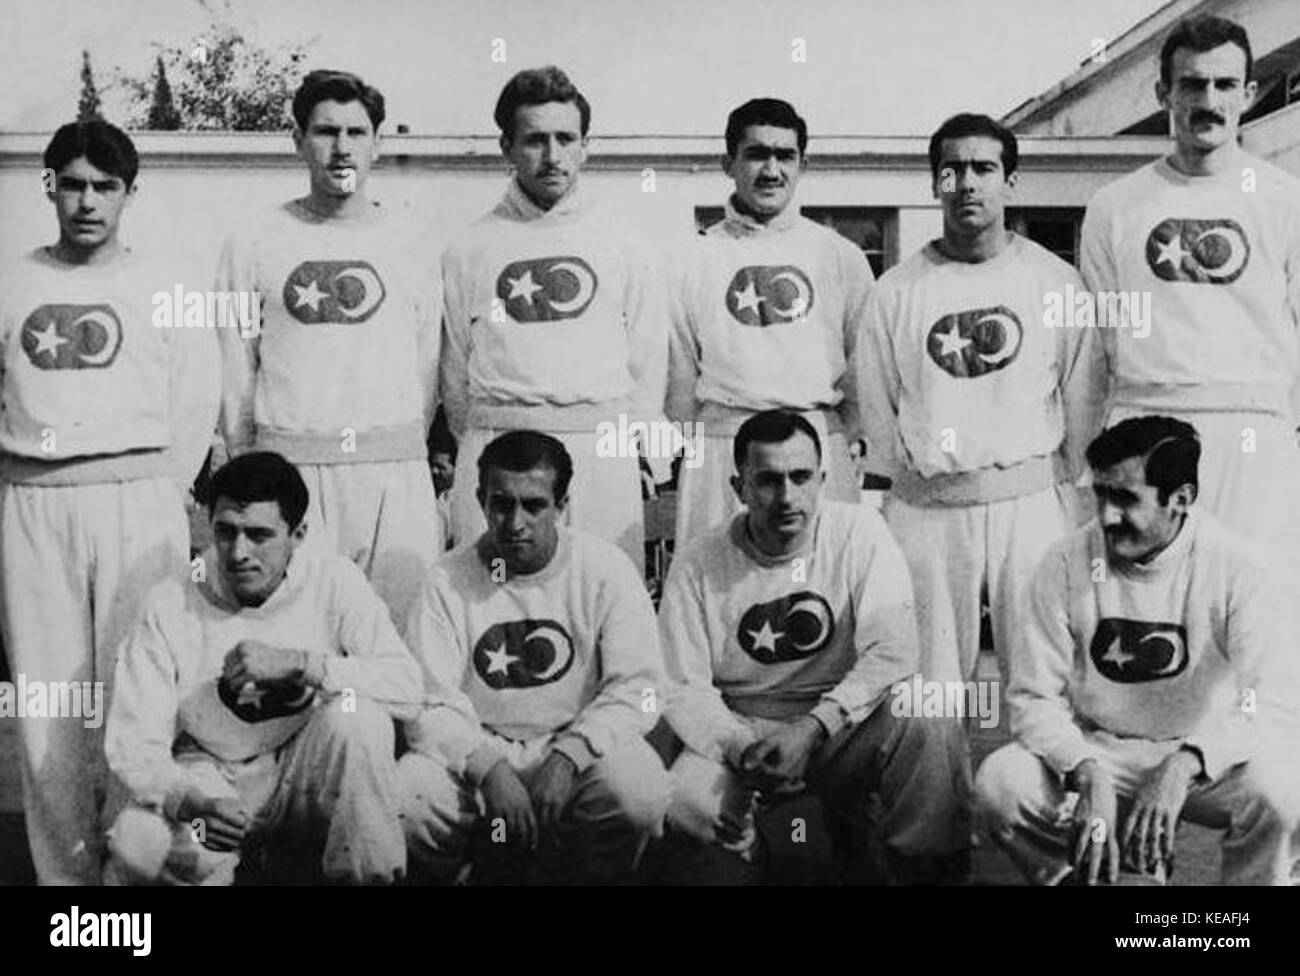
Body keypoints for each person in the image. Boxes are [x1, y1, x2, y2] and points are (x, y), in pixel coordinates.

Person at [0, 120, 218, 884]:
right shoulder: (11, 280)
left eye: (106, 186)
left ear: (131, 193)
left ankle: (134, 870)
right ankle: (63, 883)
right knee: (49, 700)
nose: (88, 201)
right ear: (49, 185)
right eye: (74, 184)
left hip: (137, 497)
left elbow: (198, 398)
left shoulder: (168, 285)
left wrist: (161, 483)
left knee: (138, 688)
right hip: (35, 500)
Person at [976, 416, 1300, 885]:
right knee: (1001, 783)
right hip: (1101, 749)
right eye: (1101, 494)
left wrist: (1184, 765)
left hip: (1201, 759)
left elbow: (1272, 703)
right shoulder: (1064, 562)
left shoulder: (1238, 567)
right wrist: (1084, 769)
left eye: (1125, 498)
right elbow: (1032, 699)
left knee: (1284, 791)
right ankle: (1088, 878)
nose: (1106, 516)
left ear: (1181, 500)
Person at [658, 410, 969, 883]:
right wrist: (741, 746)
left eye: (800, 477)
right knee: (686, 805)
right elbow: (681, 684)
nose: (787, 497)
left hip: (839, 727)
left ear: (822, 479)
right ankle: (757, 852)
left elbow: (892, 650)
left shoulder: (860, 532)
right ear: (738, 487)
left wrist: (814, 726)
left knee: (930, 710)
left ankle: (918, 863)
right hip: (747, 732)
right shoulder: (699, 559)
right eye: (767, 480)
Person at [857, 113, 1105, 690]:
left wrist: (1061, 494)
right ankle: (935, 785)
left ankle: (1033, 783)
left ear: (1010, 182)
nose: (967, 183)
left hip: (1031, 504)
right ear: (934, 184)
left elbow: (1084, 403)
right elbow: (878, 410)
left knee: (1042, 673)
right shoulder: (895, 291)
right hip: (928, 508)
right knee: (929, 685)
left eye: (984, 168)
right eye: (952, 170)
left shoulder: (1056, 282)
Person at [103, 452, 422, 885]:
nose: (238, 553)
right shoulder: (171, 601)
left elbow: (406, 687)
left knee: (359, 719)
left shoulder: (334, 579)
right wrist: (189, 801)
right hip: (214, 781)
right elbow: (133, 743)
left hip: (304, 773)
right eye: (226, 532)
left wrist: (304, 665)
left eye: (259, 535)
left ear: (299, 534)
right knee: (138, 841)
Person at [216, 69, 442, 622]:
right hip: (292, 467)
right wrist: (255, 468)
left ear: (378, 145)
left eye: (357, 133)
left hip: (392, 470)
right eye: (324, 131)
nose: (341, 148)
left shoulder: (412, 240)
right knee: (298, 635)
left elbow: (428, 363)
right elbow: (234, 365)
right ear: (297, 139)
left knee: (400, 634)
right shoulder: (253, 240)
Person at [1079, 14, 1300, 575]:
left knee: (1257, 601)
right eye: (1192, 84)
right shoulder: (1115, 206)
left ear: (1249, 94)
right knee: (1149, 603)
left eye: (1225, 85)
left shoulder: (1282, 199)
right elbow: (1097, 348)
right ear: (1163, 92)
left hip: (1253, 429)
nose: (1209, 100)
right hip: (1146, 422)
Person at [397, 430, 669, 883]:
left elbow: (640, 689)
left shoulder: (603, 568)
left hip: (574, 744)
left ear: (562, 505)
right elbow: (428, 701)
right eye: (501, 504)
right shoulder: (446, 579)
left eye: (534, 505)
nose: (516, 522)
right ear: (481, 500)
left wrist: (571, 755)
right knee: (406, 800)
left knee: (640, 794)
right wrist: (489, 768)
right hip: (480, 748)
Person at [439, 66, 668, 573]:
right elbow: (453, 371)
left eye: (566, 138)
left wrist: (638, 455)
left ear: (586, 145)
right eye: (535, 140)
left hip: (600, 452)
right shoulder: (469, 247)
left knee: (602, 598)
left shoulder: (626, 245)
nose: (552, 156)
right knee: (491, 608)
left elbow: (649, 368)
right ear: (506, 146)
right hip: (498, 444)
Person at [667, 98, 873, 542]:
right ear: (729, 163)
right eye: (757, 154)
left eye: (785, 156)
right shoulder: (692, 258)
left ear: (803, 163)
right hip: (723, 452)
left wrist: (843, 438)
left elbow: (864, 370)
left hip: (817, 449)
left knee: (823, 591)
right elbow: (678, 380)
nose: (771, 170)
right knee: (720, 591)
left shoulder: (839, 256)